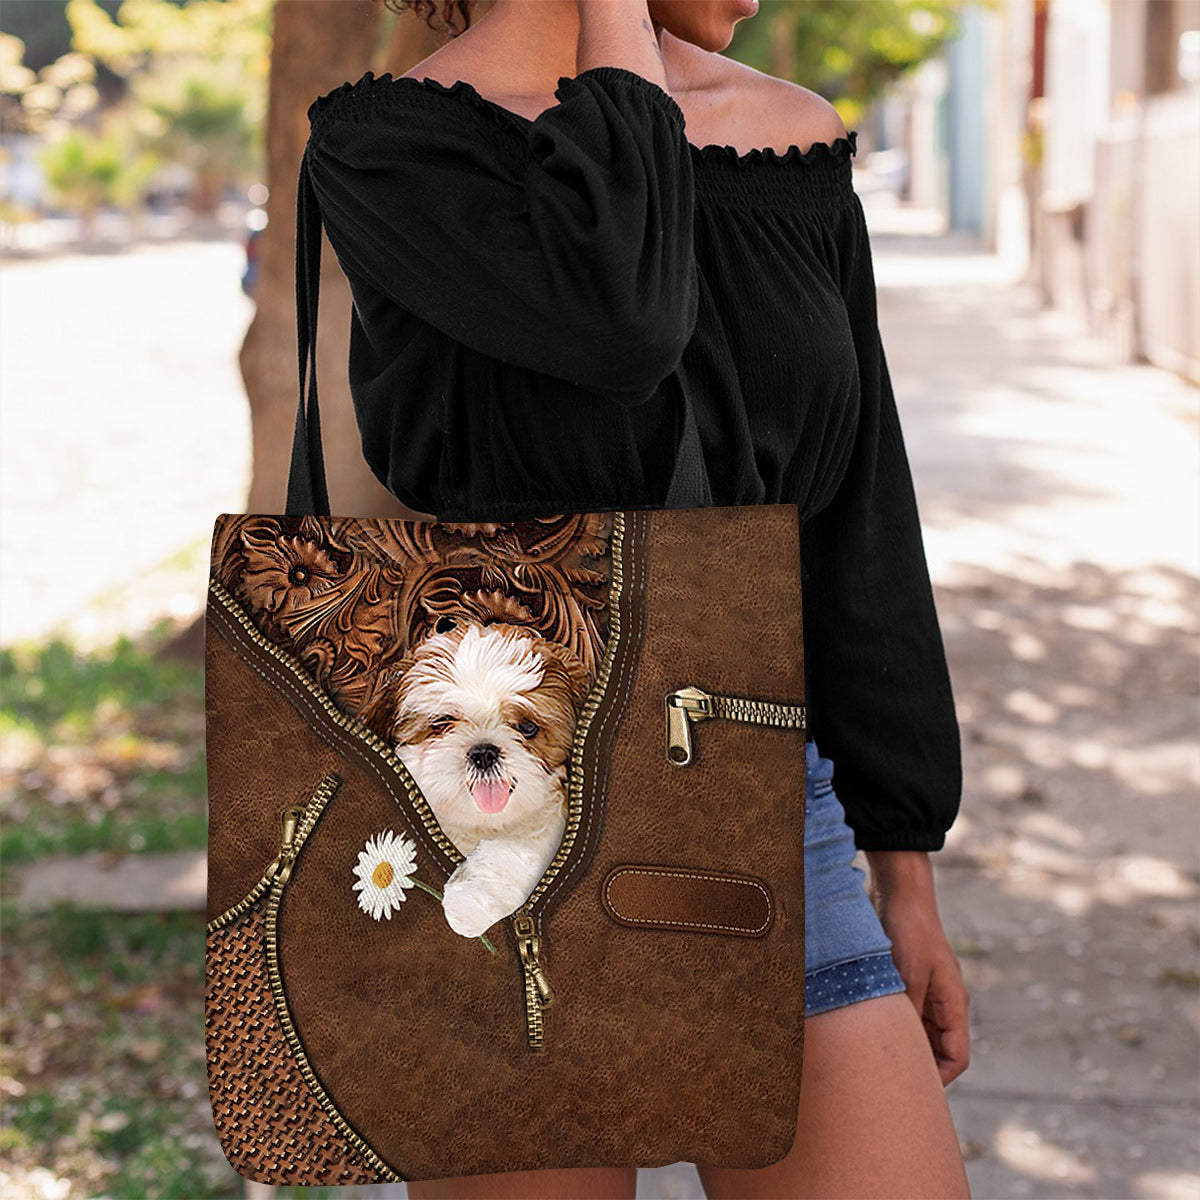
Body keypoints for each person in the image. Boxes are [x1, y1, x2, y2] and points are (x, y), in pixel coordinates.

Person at [300, 0, 973, 1195]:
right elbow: (626, 319)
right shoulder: (393, 148)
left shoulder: (789, 140)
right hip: (487, 828)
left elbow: (859, 517)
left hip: (759, 800)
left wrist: (905, 870)